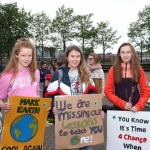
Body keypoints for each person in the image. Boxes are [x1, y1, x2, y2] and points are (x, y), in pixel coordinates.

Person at [45, 45, 104, 150]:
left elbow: (92, 94)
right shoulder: (59, 74)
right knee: (61, 146)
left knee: (85, 147)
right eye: (72, 56)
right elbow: (50, 96)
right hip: (64, 119)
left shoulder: (86, 73)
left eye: (78, 56)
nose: (75, 59)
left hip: (83, 119)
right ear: (67, 57)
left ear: (81, 58)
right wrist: (53, 108)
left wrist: (98, 109)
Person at [104, 42, 150, 111]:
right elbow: (108, 91)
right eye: (123, 52)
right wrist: (122, 104)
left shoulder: (138, 69)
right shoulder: (113, 69)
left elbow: (146, 90)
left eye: (128, 52)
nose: (125, 55)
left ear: (132, 53)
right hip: (118, 109)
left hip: (135, 110)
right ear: (119, 54)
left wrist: (138, 106)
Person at [0, 38, 40, 112]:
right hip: (15, 120)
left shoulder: (36, 72)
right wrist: (3, 105)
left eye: (29, 55)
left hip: (33, 119)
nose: (27, 59)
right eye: (23, 55)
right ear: (16, 55)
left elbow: (37, 93)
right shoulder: (6, 76)